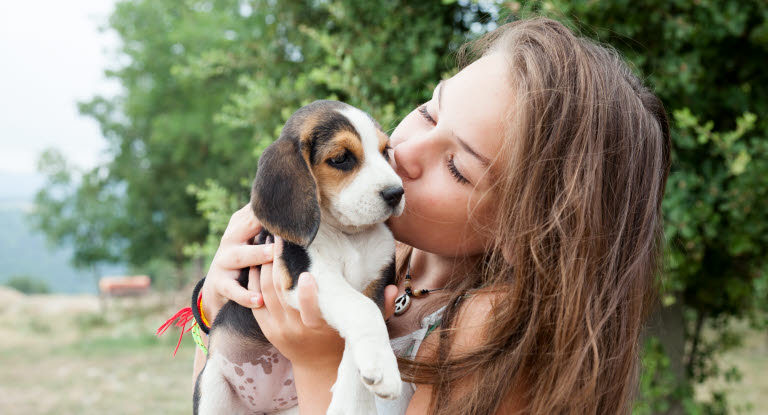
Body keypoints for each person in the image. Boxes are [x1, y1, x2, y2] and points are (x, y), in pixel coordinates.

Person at [192, 17, 671, 415]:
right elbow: (222, 382)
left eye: (457, 168)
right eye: (428, 113)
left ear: (525, 231)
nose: (402, 155)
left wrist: (318, 361)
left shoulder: (483, 331)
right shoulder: (375, 246)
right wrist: (213, 306)